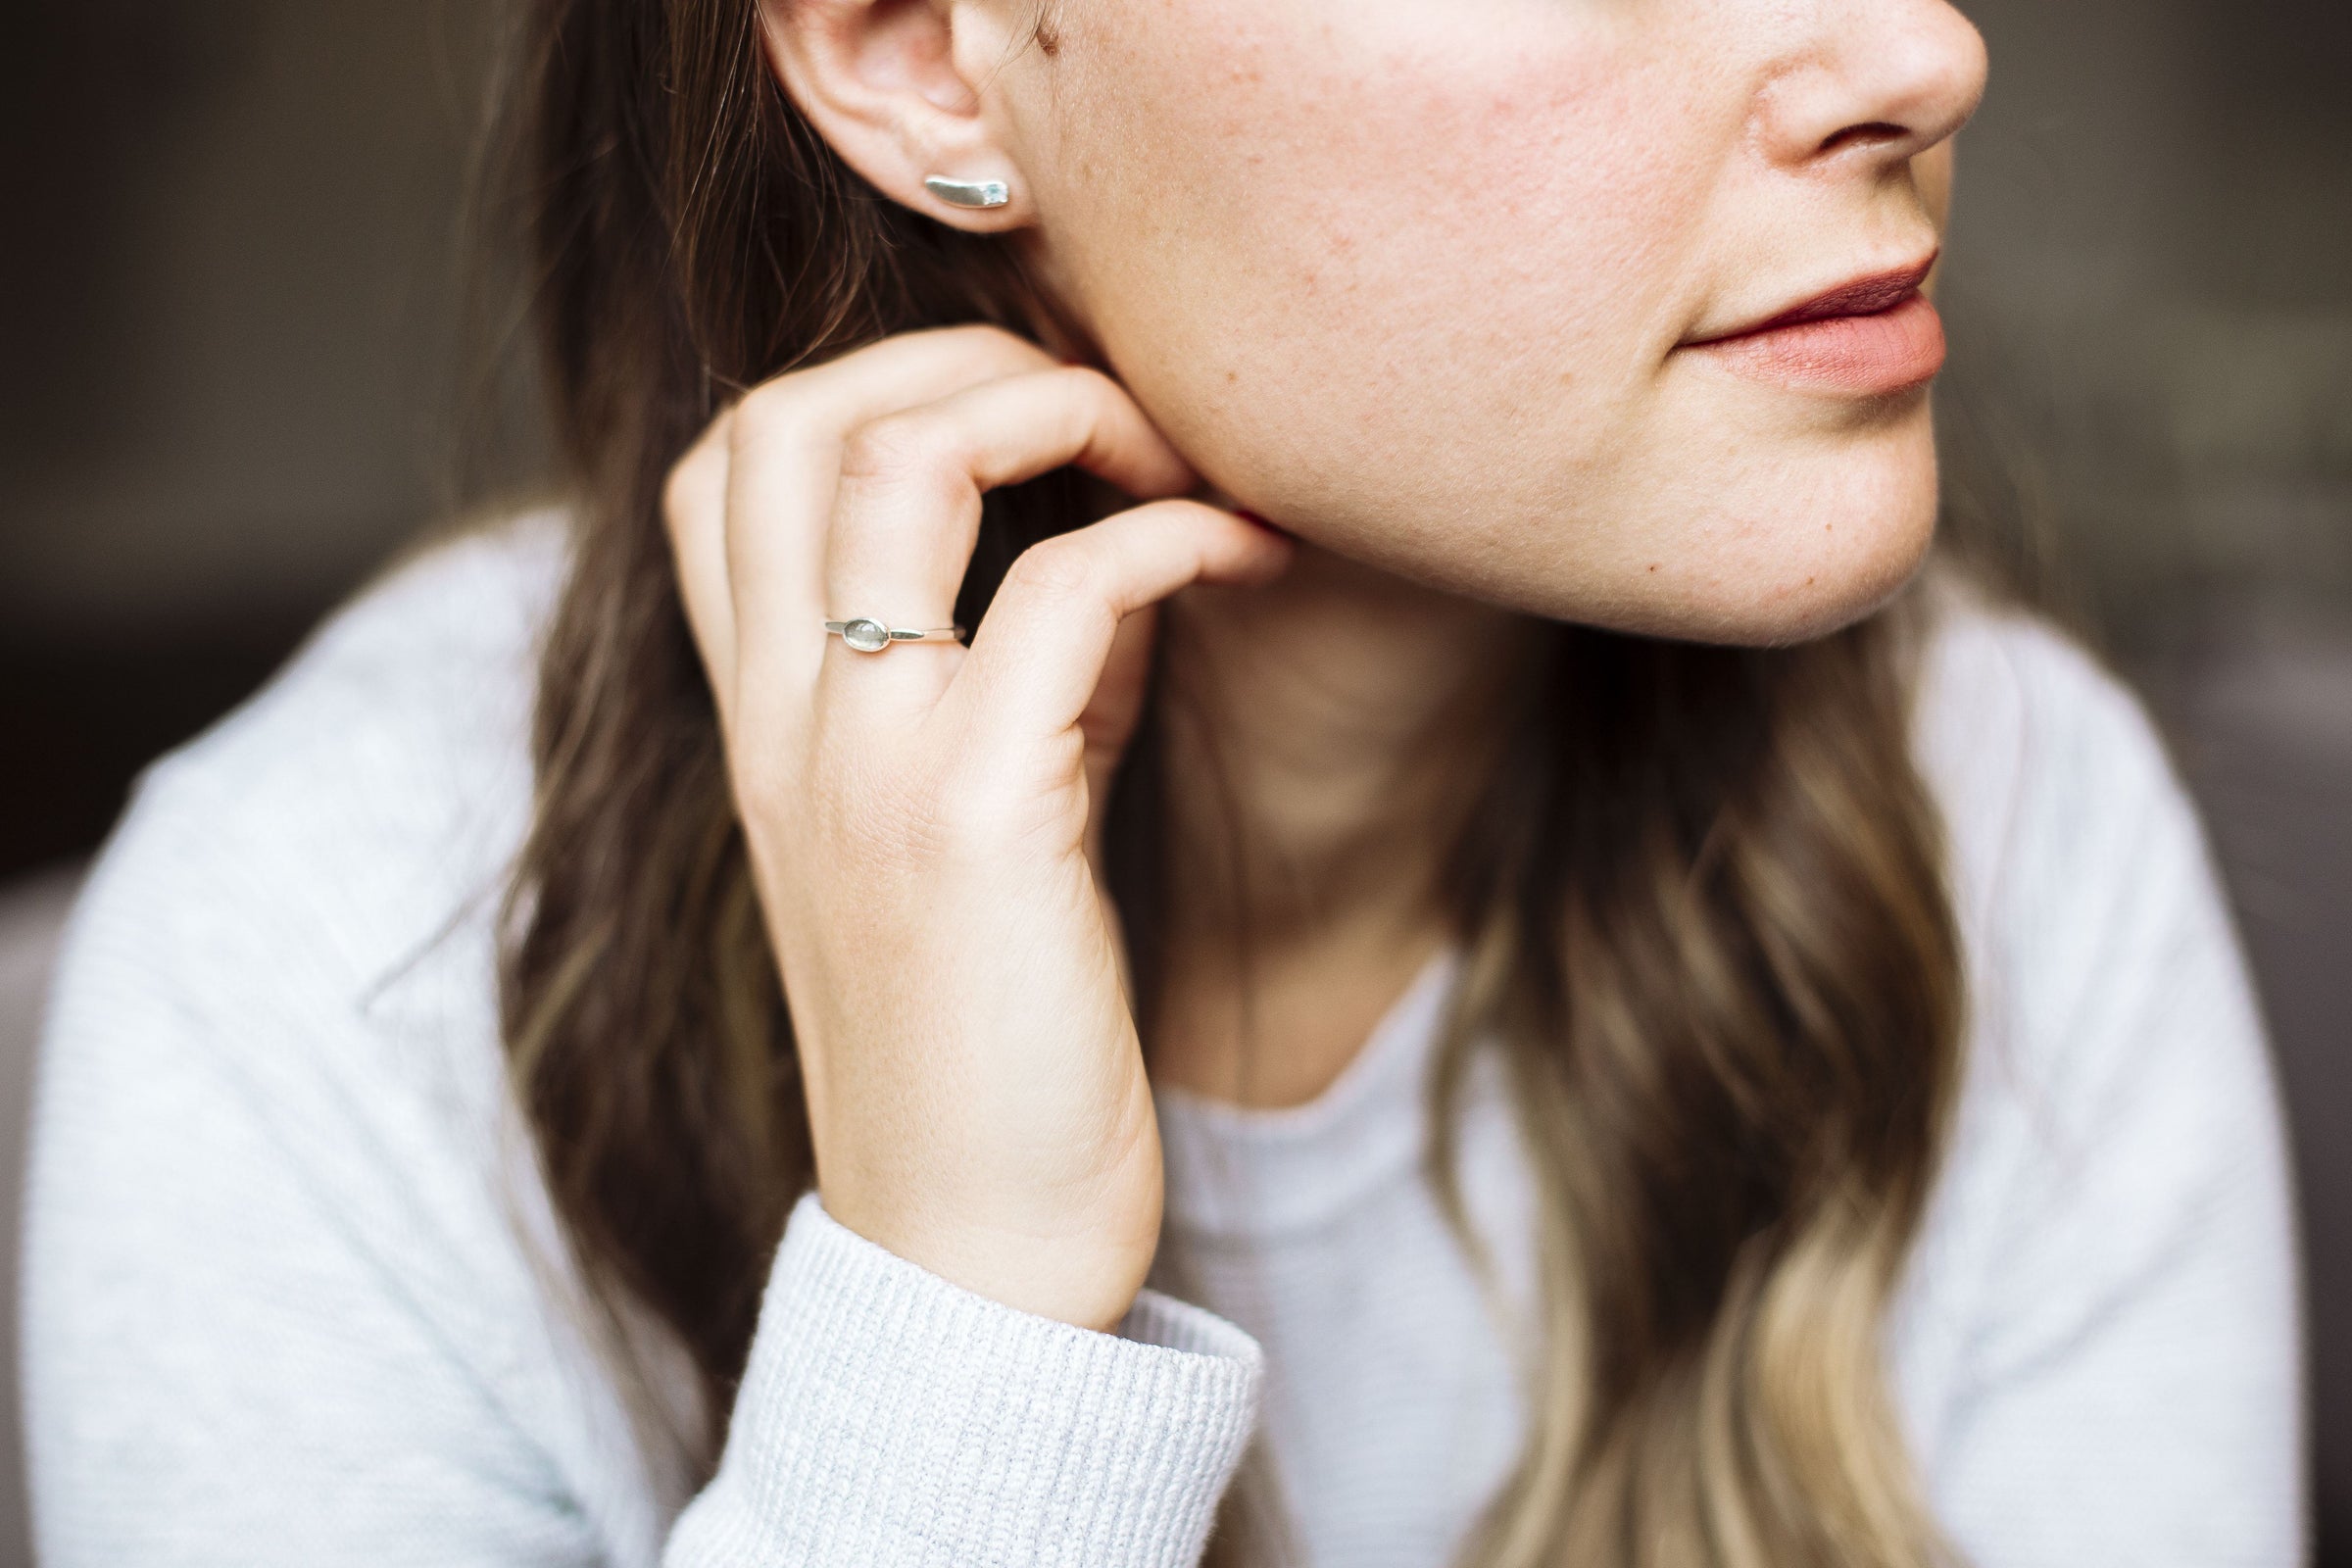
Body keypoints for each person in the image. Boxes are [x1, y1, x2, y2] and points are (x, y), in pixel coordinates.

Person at [20, 0, 2303, 1563]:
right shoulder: (320, 961)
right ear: (925, 52)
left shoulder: (2001, 819)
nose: (1925, 49)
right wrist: (963, 1316)